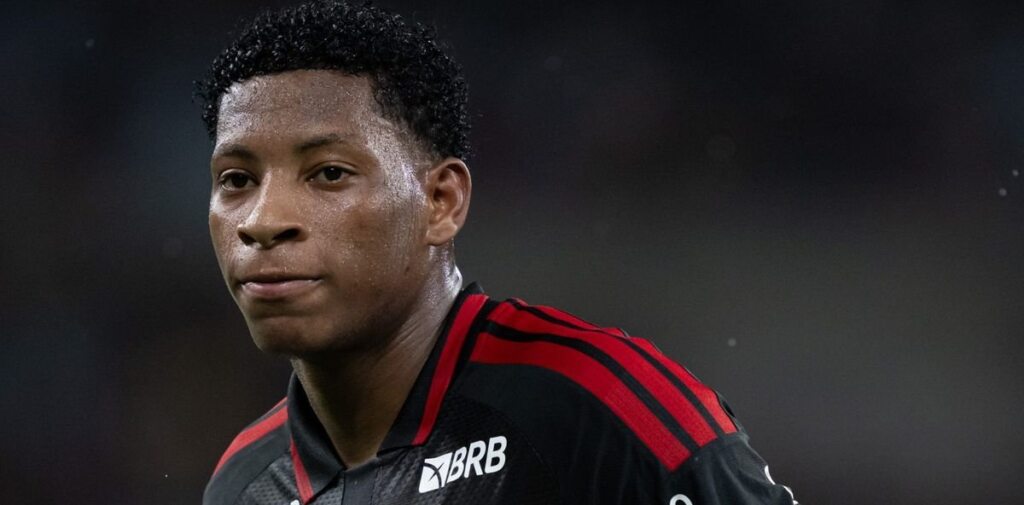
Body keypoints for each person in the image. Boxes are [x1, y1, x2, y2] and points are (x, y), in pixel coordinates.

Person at [196, 1, 797, 504]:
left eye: (329, 173)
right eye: (237, 180)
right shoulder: (243, 484)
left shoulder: (597, 406)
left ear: (441, 202)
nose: (263, 221)